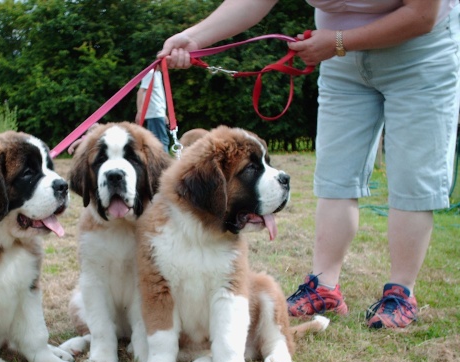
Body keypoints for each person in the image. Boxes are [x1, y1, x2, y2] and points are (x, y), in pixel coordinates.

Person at [158, 0, 460, 329]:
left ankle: (401, 293)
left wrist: (339, 40)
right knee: (334, 175)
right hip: (340, 60)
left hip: (417, 52)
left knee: (413, 177)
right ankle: (324, 286)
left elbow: (421, 15)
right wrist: (195, 37)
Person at [135, 65, 170, 152]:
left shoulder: (158, 74)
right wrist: (140, 112)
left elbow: (158, 94)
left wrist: (163, 113)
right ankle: (164, 163)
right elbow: (141, 91)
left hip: (159, 112)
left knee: (161, 140)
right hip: (154, 113)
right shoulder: (151, 73)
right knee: (160, 141)